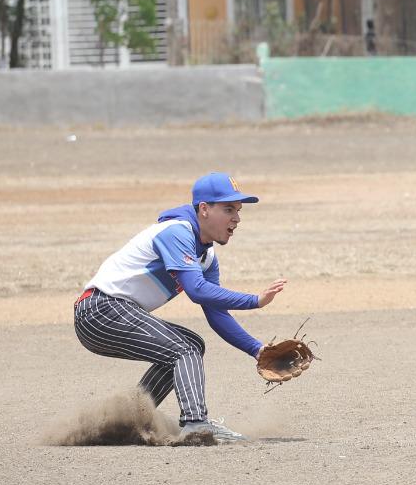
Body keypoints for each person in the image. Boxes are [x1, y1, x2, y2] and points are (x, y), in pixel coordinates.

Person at [73, 173, 288, 442]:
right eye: (228, 209)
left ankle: (129, 421)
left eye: (239, 210)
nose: (237, 218)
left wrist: (256, 349)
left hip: (113, 312)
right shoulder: (177, 231)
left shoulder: (207, 256)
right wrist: (254, 300)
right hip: (99, 310)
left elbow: (216, 312)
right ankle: (196, 424)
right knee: (184, 349)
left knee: (190, 344)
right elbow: (197, 291)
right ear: (204, 209)